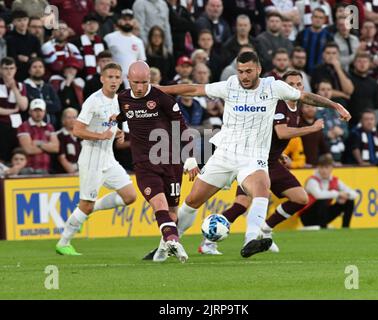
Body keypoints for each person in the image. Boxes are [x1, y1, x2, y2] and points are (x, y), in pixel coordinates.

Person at [157, 51, 351, 258]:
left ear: (258, 69)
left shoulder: (273, 86)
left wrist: (334, 105)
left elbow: (304, 96)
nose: (244, 76)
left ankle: (252, 240)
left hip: (253, 157)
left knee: (261, 190)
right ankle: (167, 245)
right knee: (192, 201)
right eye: (240, 71)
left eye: (248, 71)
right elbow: (195, 89)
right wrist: (159, 90)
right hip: (225, 154)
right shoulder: (230, 84)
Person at [199, 70, 325, 255]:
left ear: (302, 87)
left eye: (298, 84)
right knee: (241, 204)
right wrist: (311, 128)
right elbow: (281, 132)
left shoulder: (295, 107)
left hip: (272, 161)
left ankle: (264, 230)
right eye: (290, 84)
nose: (294, 87)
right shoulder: (279, 104)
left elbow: (272, 134)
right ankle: (208, 242)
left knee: (300, 198)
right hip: (254, 161)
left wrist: (279, 153)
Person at [114, 61, 196, 263]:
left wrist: (191, 157)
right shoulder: (122, 98)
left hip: (171, 161)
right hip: (144, 163)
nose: (140, 87)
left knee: (172, 211)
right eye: (135, 83)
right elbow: (121, 116)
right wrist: (116, 127)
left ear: (149, 79)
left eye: (143, 82)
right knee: (158, 204)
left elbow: (182, 128)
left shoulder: (162, 99)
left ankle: (162, 250)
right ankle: (174, 242)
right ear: (128, 80)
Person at [56, 63, 137, 256]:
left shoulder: (118, 101)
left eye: (117, 77)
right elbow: (77, 130)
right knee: (85, 204)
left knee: (130, 196)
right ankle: (63, 242)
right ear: (102, 78)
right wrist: (99, 136)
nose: (114, 81)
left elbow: (111, 126)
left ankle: (88, 212)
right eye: (110, 77)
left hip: (108, 158)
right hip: (91, 159)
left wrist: (119, 133)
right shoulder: (93, 101)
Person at [300, 154, 358, 229]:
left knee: (349, 201)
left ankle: (345, 228)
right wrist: (338, 194)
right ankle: (323, 227)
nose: (324, 170)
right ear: (318, 168)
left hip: (323, 214)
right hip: (308, 216)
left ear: (331, 168)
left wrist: (345, 195)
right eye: (321, 167)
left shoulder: (334, 180)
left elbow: (354, 194)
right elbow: (318, 195)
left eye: (326, 167)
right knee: (322, 200)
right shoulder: (312, 180)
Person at [104, 9, 146, 88]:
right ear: (119, 21)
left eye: (130, 20)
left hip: (131, 81)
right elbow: (103, 59)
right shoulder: (109, 38)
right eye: (124, 19)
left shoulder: (138, 41)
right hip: (112, 79)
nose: (127, 22)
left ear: (134, 22)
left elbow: (141, 63)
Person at [16, 98, 59, 174]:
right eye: (35, 110)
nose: (38, 113)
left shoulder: (49, 127)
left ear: (45, 112)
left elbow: (56, 148)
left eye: (40, 110)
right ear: (30, 111)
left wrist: (38, 144)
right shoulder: (24, 126)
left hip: (45, 168)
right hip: (28, 169)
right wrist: (48, 146)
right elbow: (28, 149)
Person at [0, 57, 29, 163]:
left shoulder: (20, 85)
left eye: (11, 68)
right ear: (0, 70)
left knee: (15, 150)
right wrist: (12, 111)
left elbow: (23, 106)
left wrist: (14, 88)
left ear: (15, 69)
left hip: (16, 124)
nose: (9, 71)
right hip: (1, 123)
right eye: (5, 68)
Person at [24, 58, 62, 128]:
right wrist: (49, 103)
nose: (38, 69)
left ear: (44, 70)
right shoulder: (24, 86)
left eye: (40, 67)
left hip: (51, 127)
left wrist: (38, 104)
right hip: (32, 128)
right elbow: (28, 107)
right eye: (34, 67)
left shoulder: (49, 87)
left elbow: (57, 106)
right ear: (29, 70)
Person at [5, 9, 42, 81]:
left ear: (28, 20)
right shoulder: (9, 39)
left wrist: (26, 59)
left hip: (33, 73)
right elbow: (12, 58)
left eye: (25, 20)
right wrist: (31, 57)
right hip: (17, 74)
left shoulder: (34, 39)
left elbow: (39, 57)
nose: (23, 23)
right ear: (14, 22)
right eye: (19, 20)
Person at [56, 108, 81, 173]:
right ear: (63, 120)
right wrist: (74, 174)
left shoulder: (81, 136)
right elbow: (62, 159)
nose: (72, 120)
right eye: (69, 117)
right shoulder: (59, 136)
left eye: (74, 117)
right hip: (65, 175)